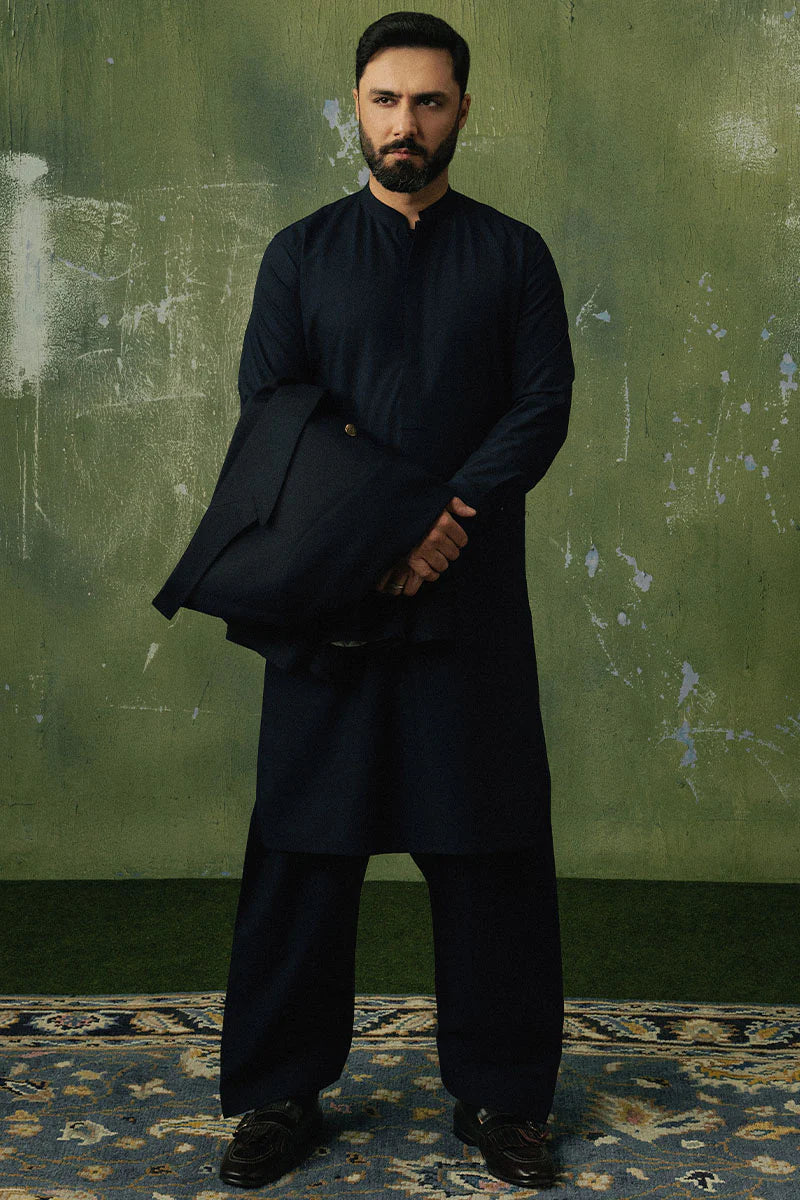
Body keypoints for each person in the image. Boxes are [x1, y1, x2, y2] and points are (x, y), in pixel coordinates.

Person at [217, 10, 574, 1191]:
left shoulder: (512, 256)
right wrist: (383, 530)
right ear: (355, 109)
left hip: (467, 606)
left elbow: (538, 405)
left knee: (489, 851)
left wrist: (443, 520)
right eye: (385, 100)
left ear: (461, 109)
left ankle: (504, 1098)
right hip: (330, 599)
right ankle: (278, 1095)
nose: (403, 123)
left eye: (426, 101)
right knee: (300, 856)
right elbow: (274, 412)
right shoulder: (300, 255)